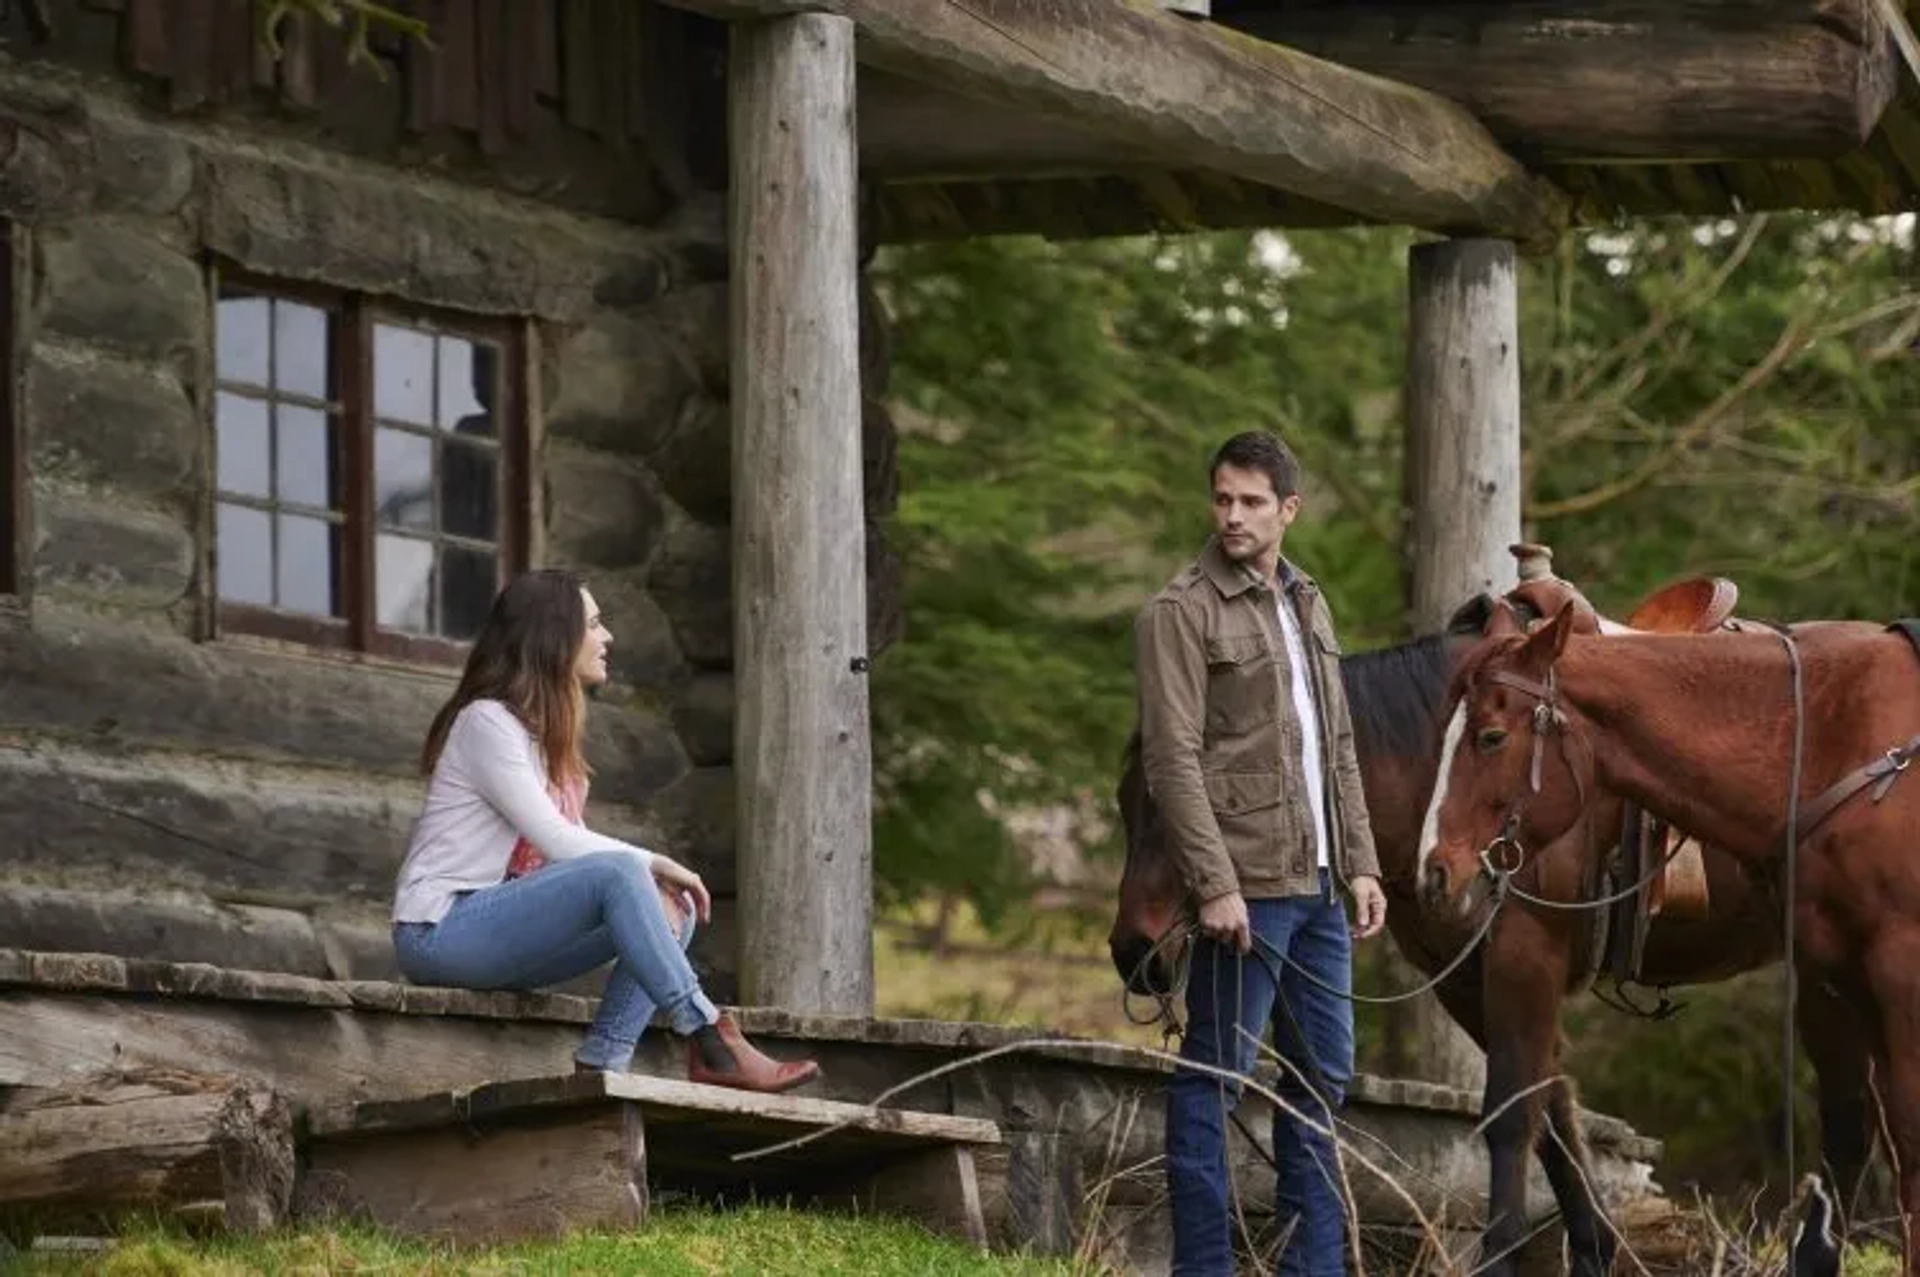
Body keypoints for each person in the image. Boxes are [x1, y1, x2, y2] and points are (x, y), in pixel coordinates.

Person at [391, 568, 820, 1094]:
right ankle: (708, 1034)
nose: (607, 636)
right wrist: (656, 861)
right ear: (555, 636)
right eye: (594, 624)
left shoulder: (543, 739)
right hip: (440, 931)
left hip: (499, 934)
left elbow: (565, 864)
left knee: (670, 907)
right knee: (629, 874)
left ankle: (604, 1063)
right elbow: (558, 842)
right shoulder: (486, 722)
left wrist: (652, 878)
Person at [1135, 431, 1388, 1274]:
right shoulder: (1181, 610)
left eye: (1250, 501)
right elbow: (1170, 760)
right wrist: (1214, 885)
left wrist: (1362, 862)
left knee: (1324, 1079)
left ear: (1288, 510)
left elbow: (1336, 741)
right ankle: (1203, 1267)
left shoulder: (1307, 601)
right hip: (1245, 886)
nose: (1232, 515)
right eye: (1221, 499)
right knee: (1216, 1075)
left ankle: (1311, 1266)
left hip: (1320, 885)